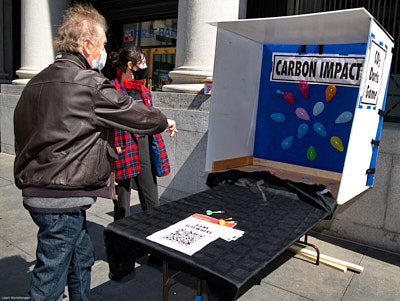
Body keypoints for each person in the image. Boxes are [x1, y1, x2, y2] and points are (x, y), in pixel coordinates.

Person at [13, 4, 177, 301]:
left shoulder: (35, 82)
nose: (104, 51)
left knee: (82, 261)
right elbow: (131, 112)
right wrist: (163, 120)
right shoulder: (86, 82)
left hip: (42, 192)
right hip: (60, 197)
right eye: (102, 44)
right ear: (87, 45)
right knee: (49, 280)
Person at [109, 47, 174, 221]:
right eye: (142, 62)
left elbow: (148, 117)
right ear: (131, 65)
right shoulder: (110, 90)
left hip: (143, 144)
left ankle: (150, 239)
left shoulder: (143, 91)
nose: (145, 67)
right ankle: (122, 243)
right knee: (122, 205)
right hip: (121, 148)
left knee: (151, 200)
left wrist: (163, 122)